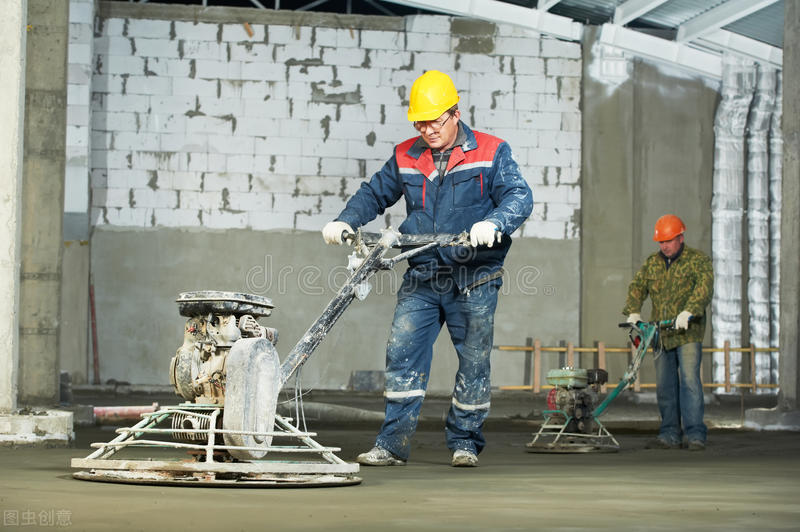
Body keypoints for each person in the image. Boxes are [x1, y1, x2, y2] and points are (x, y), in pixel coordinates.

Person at [322, 70, 533, 467]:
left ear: (455, 113)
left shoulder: (491, 151)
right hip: (422, 274)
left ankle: (465, 441)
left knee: (473, 360)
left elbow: (519, 196)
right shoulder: (407, 154)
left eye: (435, 120)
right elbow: (375, 193)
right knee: (401, 353)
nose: (428, 129)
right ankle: (392, 444)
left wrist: (495, 223)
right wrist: (347, 219)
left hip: (474, 276)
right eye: (420, 122)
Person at [623, 214, 714, 451]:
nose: (664, 245)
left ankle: (695, 435)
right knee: (665, 386)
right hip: (660, 334)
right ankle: (670, 434)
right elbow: (637, 286)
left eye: (669, 241)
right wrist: (633, 311)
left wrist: (689, 312)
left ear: (680, 238)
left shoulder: (697, 261)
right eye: (661, 241)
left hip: (688, 334)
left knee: (690, 383)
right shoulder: (652, 263)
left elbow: (704, 289)